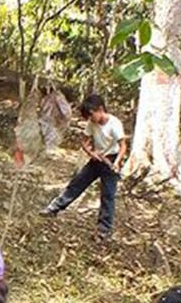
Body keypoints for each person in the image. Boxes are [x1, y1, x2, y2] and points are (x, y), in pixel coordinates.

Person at [40, 94, 128, 238]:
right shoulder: (91, 124)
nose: (90, 119)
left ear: (100, 109)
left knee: (108, 195)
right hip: (97, 159)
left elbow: (123, 146)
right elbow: (84, 141)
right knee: (77, 183)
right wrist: (91, 153)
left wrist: (117, 162)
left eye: (91, 115)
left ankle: (104, 230)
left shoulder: (114, 123)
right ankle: (53, 208)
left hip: (111, 160)